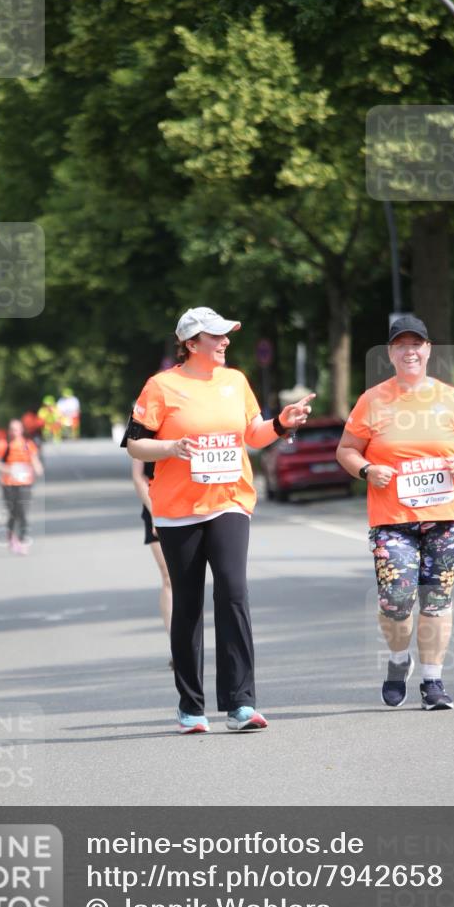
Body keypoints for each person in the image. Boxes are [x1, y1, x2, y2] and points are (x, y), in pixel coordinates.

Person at [124, 306, 314, 734]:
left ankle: (241, 704)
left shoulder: (236, 381)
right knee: (188, 605)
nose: (226, 341)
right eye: (216, 336)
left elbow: (253, 435)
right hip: (177, 511)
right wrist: (171, 448)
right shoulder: (161, 386)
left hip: (229, 501)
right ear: (192, 344)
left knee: (233, 592)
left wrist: (282, 424)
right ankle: (191, 707)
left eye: (227, 334)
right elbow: (135, 446)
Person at [336, 315, 454, 711]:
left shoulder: (451, 398)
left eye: (416, 344)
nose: (409, 351)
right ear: (390, 353)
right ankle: (399, 659)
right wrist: (368, 469)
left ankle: (433, 682)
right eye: (401, 345)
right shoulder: (372, 400)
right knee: (397, 599)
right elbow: (346, 450)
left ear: (428, 350)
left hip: (446, 513)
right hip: (392, 519)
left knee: (436, 599)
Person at [131, 458, 173, 666]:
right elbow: (138, 476)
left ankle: (189, 641)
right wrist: (154, 510)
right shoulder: (142, 426)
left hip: (187, 504)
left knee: (188, 578)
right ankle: (177, 645)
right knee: (169, 576)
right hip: (155, 506)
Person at [0, 419, 44, 554]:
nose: (15, 432)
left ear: (21, 430)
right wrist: (9, 470)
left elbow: (34, 459)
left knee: (23, 512)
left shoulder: (28, 444)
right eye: (12, 429)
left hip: (25, 483)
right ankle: (11, 534)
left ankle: (22, 540)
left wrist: (38, 468)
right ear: (9, 431)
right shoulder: (4, 445)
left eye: (17, 429)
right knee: (13, 513)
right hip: (8, 484)